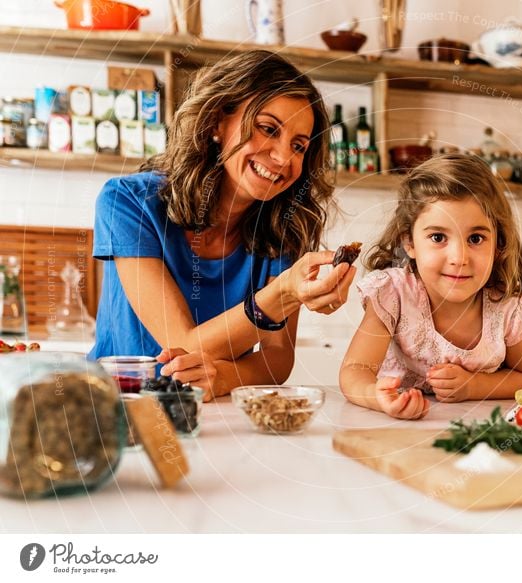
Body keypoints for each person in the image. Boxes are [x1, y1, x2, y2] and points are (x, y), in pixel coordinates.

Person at [89, 50, 356, 399]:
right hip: (117, 407)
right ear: (217, 121)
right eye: (267, 129)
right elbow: (182, 344)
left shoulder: (285, 230)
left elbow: (277, 357)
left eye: (299, 146)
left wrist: (227, 377)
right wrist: (283, 294)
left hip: (219, 413)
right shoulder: (128, 203)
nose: (283, 158)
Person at [340, 153, 522, 420]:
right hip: (396, 432)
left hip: (478, 432)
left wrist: (474, 386)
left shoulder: (507, 306)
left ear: (498, 245)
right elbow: (354, 369)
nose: (459, 258)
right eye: (438, 237)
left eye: (476, 238)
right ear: (410, 243)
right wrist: (377, 397)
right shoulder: (394, 294)